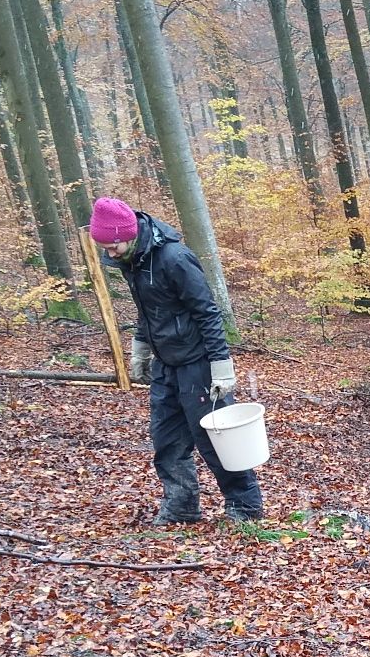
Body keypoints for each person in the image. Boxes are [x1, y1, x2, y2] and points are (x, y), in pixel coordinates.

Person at [92, 197, 263, 525]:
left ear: (128, 233)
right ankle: (182, 507)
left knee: (217, 440)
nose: (109, 254)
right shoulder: (133, 260)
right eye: (105, 248)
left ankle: (244, 506)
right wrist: (140, 348)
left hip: (198, 363)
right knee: (166, 439)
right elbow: (148, 310)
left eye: (112, 246)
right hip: (166, 364)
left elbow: (208, 311)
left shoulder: (174, 258)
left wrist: (221, 365)